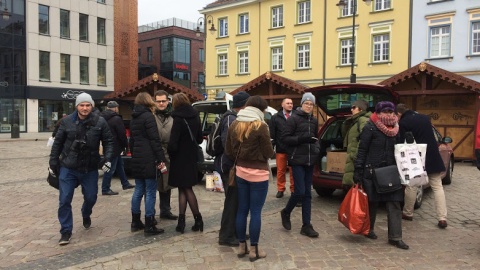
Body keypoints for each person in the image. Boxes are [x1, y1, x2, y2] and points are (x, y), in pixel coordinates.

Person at [49, 93, 115, 246]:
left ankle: (86, 213)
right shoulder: (66, 122)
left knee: (91, 197)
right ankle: (65, 230)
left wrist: (108, 158)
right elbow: (57, 143)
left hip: (89, 167)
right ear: (76, 106)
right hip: (68, 167)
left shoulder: (100, 122)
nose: (85, 108)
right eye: (82, 105)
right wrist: (53, 162)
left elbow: (109, 142)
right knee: (64, 199)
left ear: (92, 106)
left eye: (87, 105)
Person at [353, 101, 409, 250]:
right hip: (372, 170)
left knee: (395, 203)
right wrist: (358, 170)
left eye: (391, 112)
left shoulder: (397, 128)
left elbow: (401, 150)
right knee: (372, 202)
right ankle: (369, 229)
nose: (389, 114)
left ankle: (395, 237)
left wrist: (407, 141)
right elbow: (362, 150)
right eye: (385, 111)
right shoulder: (370, 127)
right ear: (378, 113)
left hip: (391, 171)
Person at [225, 96, 274, 261]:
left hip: (240, 172)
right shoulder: (261, 126)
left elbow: (229, 151)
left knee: (242, 210)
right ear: (260, 109)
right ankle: (254, 250)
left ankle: (241, 247)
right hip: (258, 173)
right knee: (256, 212)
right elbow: (268, 153)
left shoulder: (235, 124)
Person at [396, 103, 448, 229]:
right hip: (432, 156)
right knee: (437, 186)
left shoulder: (404, 123)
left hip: (416, 157)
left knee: (412, 185)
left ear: (399, 114)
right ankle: (442, 218)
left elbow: (401, 142)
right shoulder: (425, 118)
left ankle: (408, 213)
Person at [279, 92, 320, 238]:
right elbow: (285, 139)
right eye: (306, 103)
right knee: (300, 191)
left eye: (311, 104)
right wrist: (301, 139)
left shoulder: (314, 120)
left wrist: (316, 149)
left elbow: (316, 139)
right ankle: (286, 212)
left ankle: (306, 225)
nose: (309, 106)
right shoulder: (293, 119)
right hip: (297, 160)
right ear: (302, 104)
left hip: (309, 160)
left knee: (308, 193)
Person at [129, 92, 167, 236]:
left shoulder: (133, 118)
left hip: (137, 157)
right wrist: (160, 158)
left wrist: (134, 155)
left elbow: (132, 140)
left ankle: (135, 221)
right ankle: (149, 224)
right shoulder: (148, 117)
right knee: (151, 191)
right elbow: (154, 140)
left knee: (138, 189)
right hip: (149, 157)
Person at [215, 91, 250, 247]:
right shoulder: (231, 119)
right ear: (243, 105)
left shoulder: (235, 118)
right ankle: (226, 236)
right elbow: (228, 145)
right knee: (232, 202)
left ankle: (235, 231)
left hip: (233, 165)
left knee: (236, 201)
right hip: (229, 166)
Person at [167, 93, 203, 234]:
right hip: (191, 157)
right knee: (183, 188)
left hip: (179, 158)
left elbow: (173, 144)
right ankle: (181, 222)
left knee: (186, 189)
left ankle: (197, 219)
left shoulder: (177, 118)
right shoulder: (195, 115)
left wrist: (170, 153)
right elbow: (199, 139)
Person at [100, 101, 135, 195]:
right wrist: (125, 145)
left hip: (107, 145)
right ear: (116, 108)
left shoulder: (102, 118)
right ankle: (105, 188)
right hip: (116, 146)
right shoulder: (116, 119)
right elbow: (121, 133)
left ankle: (125, 183)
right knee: (110, 168)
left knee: (120, 165)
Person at [153, 90, 178, 221]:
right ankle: (150, 212)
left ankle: (165, 210)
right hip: (155, 152)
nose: (161, 103)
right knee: (153, 184)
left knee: (167, 183)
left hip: (168, 152)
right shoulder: (151, 115)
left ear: (168, 101)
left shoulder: (172, 115)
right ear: (155, 102)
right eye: (159, 101)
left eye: (163, 101)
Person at [341, 100, 371, 189]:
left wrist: (356, 153)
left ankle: (357, 202)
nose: (351, 109)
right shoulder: (355, 120)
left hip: (356, 157)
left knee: (354, 185)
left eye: (354, 107)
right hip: (353, 156)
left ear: (361, 109)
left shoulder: (363, 120)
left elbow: (365, 138)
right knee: (351, 185)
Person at [270, 98, 295, 198]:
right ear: (282, 105)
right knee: (281, 170)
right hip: (281, 148)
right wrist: (272, 146)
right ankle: (280, 189)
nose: (290, 105)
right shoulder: (275, 117)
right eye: (288, 103)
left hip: (293, 148)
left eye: (291, 103)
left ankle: (293, 189)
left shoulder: (296, 116)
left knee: (293, 170)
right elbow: (272, 133)